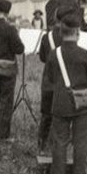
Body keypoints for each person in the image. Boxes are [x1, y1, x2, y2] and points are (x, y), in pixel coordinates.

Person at [45, 6, 87, 174]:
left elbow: (50, 79)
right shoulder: (85, 54)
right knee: (80, 142)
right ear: (77, 31)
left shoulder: (54, 54)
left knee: (59, 142)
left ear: (61, 31)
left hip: (60, 103)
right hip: (81, 103)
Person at [0, 0, 24, 140]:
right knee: (6, 102)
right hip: (6, 71)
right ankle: (3, 136)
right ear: (7, 12)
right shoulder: (10, 29)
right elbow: (19, 49)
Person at [38, 14, 62, 154]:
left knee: (46, 115)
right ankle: (58, 146)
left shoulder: (46, 37)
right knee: (62, 115)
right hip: (64, 81)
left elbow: (42, 57)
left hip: (48, 80)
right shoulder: (69, 36)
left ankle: (41, 145)